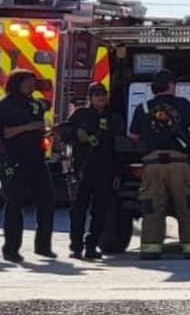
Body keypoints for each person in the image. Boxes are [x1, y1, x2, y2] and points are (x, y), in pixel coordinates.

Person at [129, 69, 190, 260]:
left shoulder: (143, 107)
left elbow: (133, 135)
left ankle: (151, 250)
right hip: (179, 163)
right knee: (187, 206)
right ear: (171, 86)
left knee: (152, 208)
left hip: (152, 164)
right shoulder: (183, 104)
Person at [0, 69, 56, 262]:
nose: (31, 86)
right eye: (27, 82)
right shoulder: (5, 105)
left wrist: (48, 132)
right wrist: (27, 128)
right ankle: (11, 249)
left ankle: (43, 246)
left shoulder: (34, 104)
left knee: (47, 201)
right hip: (13, 159)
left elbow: (39, 124)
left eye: (32, 82)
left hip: (36, 159)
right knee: (14, 204)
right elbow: (0, 132)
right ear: (16, 83)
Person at [61, 83, 123, 260]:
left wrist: (118, 173)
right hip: (82, 169)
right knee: (78, 210)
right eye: (97, 95)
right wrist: (76, 132)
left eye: (103, 95)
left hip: (105, 170)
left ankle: (92, 245)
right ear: (90, 97)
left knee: (101, 211)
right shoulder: (80, 114)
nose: (101, 98)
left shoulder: (114, 118)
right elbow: (64, 133)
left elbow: (117, 148)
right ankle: (76, 246)